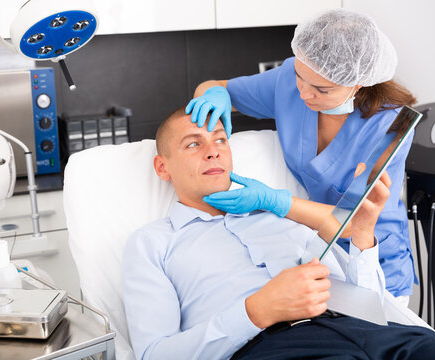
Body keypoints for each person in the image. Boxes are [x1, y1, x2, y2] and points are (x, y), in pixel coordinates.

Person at [122, 108, 435, 360]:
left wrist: (362, 235)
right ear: (163, 168)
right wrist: (255, 311)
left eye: (220, 140)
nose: (213, 152)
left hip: (373, 334)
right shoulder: (152, 244)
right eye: (193, 143)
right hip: (272, 347)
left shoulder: (278, 213)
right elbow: (154, 353)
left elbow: (368, 308)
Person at [184, 8, 417, 299]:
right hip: (317, 257)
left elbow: (352, 222)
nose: (304, 94)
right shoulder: (290, 80)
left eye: (322, 89)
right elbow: (213, 87)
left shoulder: (391, 125)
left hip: (373, 263)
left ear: (358, 83)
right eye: (300, 77)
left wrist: (271, 200)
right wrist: (213, 96)